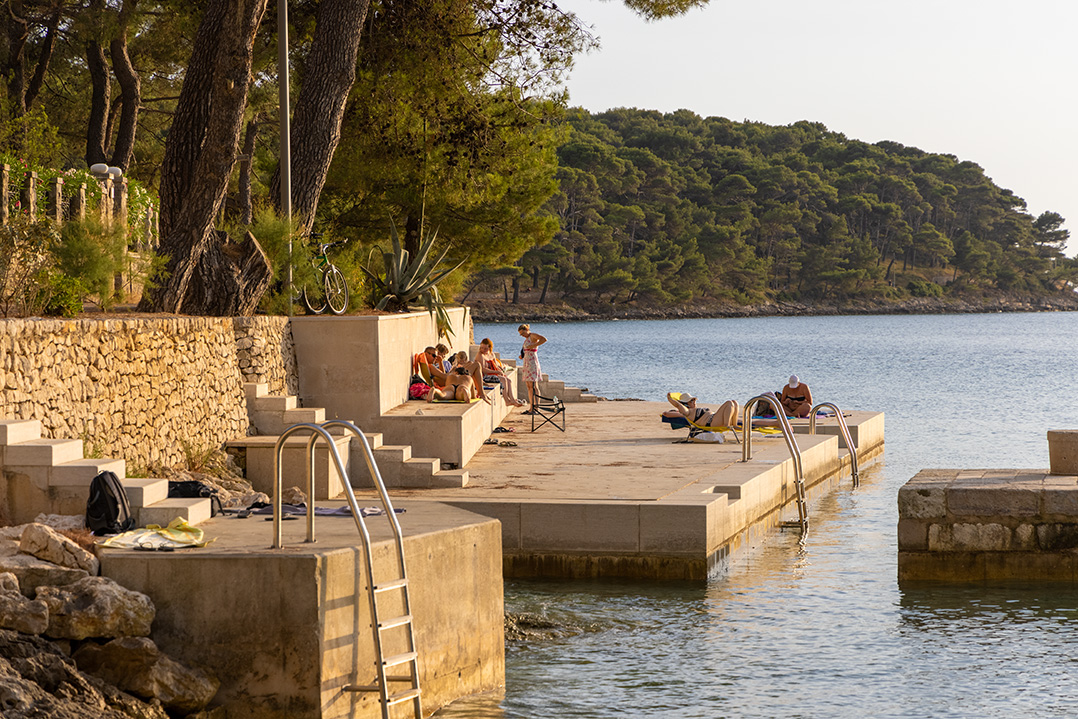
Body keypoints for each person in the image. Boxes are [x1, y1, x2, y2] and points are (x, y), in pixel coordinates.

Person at [477, 338, 526, 407]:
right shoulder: (480, 355)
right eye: (481, 348)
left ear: (490, 348)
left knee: (508, 380)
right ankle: (507, 401)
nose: (483, 350)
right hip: (485, 376)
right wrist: (496, 371)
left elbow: (496, 365)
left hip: (493, 374)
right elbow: (483, 369)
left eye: (485, 348)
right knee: (503, 380)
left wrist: (500, 370)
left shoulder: (492, 354)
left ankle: (512, 399)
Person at [664, 392, 740, 430]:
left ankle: (734, 424)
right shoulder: (687, 412)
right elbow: (674, 408)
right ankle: (726, 425)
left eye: (694, 400)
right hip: (712, 422)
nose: (694, 402)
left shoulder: (693, 410)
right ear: (685, 404)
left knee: (734, 402)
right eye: (691, 401)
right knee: (729, 403)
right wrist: (670, 399)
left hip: (716, 417)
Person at [517, 324, 546, 413]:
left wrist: (534, 345)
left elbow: (544, 339)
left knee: (534, 386)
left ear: (527, 329)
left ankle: (536, 408)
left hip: (532, 362)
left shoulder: (532, 335)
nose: (522, 335)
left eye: (523, 333)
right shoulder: (526, 339)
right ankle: (531, 407)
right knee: (529, 386)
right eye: (521, 334)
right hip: (527, 363)